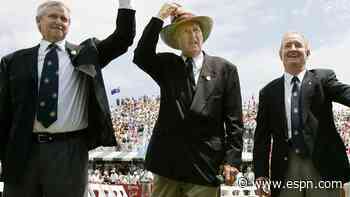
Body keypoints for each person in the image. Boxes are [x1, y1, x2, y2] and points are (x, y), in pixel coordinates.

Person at [0, 0, 135, 196]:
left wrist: (125, 2)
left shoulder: (87, 53)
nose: (59, 21)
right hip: (23, 150)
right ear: (39, 22)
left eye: (64, 18)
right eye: (53, 16)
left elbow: (123, 38)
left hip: (70, 152)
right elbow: (3, 113)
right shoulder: (13, 61)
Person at [133, 3, 243, 197]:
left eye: (196, 30)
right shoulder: (168, 65)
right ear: (176, 39)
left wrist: (232, 160)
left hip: (206, 165)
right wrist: (159, 17)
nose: (193, 35)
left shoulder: (225, 69)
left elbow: (234, 121)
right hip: (168, 166)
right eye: (185, 32)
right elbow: (141, 55)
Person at [253, 32, 350, 197]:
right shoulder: (268, 92)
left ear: (307, 52)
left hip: (322, 166)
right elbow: (262, 138)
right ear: (280, 54)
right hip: (285, 169)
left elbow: (346, 93)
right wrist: (261, 174)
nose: (293, 48)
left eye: (298, 45)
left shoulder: (323, 79)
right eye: (287, 45)